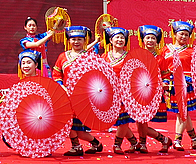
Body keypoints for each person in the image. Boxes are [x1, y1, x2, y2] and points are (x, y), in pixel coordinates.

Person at [52, 25, 104, 156]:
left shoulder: (90, 57)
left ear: (85, 41)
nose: (76, 42)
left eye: (79, 39)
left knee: (78, 129)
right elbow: (57, 74)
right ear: (68, 41)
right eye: (73, 39)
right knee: (66, 123)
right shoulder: (62, 57)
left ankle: (95, 143)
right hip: (65, 96)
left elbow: (95, 77)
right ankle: (77, 146)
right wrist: (62, 86)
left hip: (82, 98)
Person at [133, 25, 173, 154]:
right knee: (139, 120)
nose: (150, 40)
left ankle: (145, 143)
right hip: (138, 92)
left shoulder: (161, 59)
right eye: (147, 38)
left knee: (143, 119)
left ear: (157, 41)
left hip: (153, 92)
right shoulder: (137, 55)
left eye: (153, 38)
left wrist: (165, 83)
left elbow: (166, 75)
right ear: (143, 40)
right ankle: (162, 140)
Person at [162, 21, 196, 151]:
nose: (183, 37)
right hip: (172, 84)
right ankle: (194, 137)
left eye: (186, 35)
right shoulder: (166, 49)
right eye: (181, 34)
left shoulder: (192, 51)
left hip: (186, 84)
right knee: (182, 112)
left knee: (182, 112)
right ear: (175, 34)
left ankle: (177, 140)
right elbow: (163, 67)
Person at [103, 26, 137, 154]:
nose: (120, 40)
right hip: (110, 92)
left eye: (122, 37)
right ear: (111, 40)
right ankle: (134, 142)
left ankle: (117, 144)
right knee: (118, 119)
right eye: (117, 37)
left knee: (124, 119)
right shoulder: (105, 56)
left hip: (126, 93)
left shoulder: (130, 56)